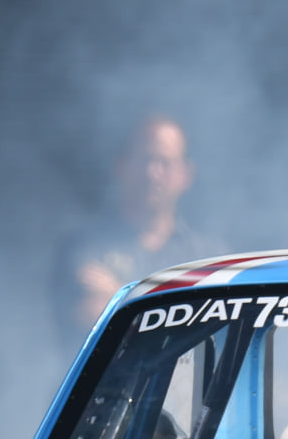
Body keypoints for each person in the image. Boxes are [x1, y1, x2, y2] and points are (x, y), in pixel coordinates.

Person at [55, 114, 213, 347]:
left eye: (165, 163)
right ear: (121, 166)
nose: (153, 173)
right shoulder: (84, 247)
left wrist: (120, 294)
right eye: (145, 160)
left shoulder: (208, 257)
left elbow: (211, 333)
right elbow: (88, 317)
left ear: (186, 174)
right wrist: (177, 312)